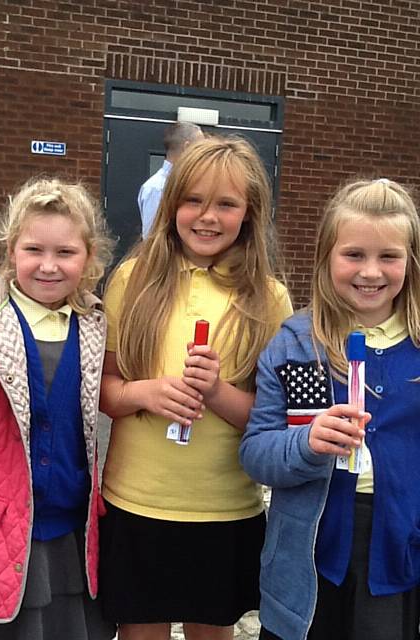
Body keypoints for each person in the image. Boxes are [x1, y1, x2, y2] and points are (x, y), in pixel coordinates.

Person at [99, 136, 293, 640]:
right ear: (171, 205)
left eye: (226, 204)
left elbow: (276, 423)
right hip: (137, 500)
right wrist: (144, 394)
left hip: (225, 506)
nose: (207, 217)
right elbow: (103, 389)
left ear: (249, 214)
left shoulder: (269, 299)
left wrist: (218, 394)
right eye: (193, 201)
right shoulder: (131, 280)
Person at [240, 178, 420, 640]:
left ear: (410, 262)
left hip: (401, 545)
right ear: (326, 257)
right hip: (310, 548)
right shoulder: (296, 343)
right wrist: (307, 442)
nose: (371, 272)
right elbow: (257, 453)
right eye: (354, 255)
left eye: (389, 257)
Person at [0, 177, 115, 640]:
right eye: (34, 250)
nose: (49, 266)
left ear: (89, 257)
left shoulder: (95, 325)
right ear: (11, 249)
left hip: (68, 534)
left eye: (66, 253)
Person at [137, 121, 203, 238]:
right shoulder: (157, 188)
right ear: (187, 147)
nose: (203, 155)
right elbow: (152, 238)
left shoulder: (188, 183)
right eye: (200, 148)